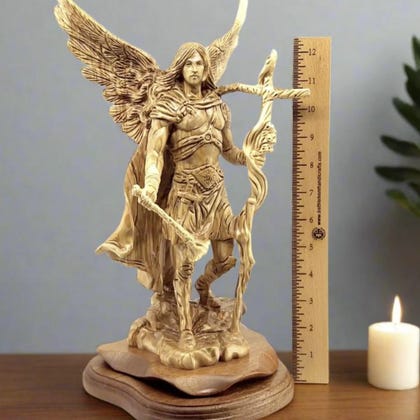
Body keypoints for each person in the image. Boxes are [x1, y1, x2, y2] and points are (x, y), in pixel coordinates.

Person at [99, 42, 246, 349]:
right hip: (185, 193)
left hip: (216, 193)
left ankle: (204, 288)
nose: (195, 69)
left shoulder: (218, 106)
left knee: (225, 259)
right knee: (183, 266)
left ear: (206, 69)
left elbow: (229, 151)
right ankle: (185, 327)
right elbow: (154, 152)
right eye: (189, 63)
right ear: (180, 68)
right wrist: (151, 186)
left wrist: (251, 155)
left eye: (199, 64)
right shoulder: (168, 106)